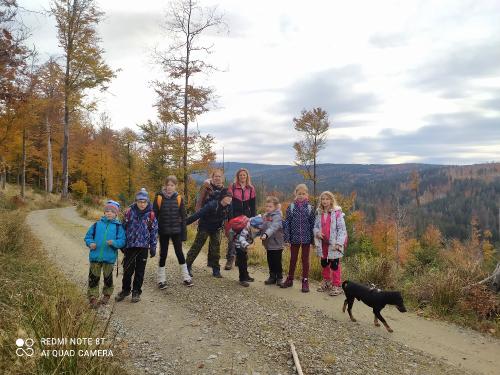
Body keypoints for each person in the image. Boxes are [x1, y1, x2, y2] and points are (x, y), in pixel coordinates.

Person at [116, 188, 158, 303]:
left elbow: (154, 232)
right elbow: (122, 228)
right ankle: (125, 290)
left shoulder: (151, 215)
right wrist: (122, 243)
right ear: (136, 201)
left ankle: (136, 292)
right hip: (130, 246)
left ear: (147, 202)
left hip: (143, 247)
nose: (142, 204)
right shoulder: (129, 212)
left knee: (140, 271)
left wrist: (153, 246)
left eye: (144, 201)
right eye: (140, 201)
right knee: (127, 270)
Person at [84, 200, 126, 308]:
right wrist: (91, 243)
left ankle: (107, 294)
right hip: (95, 257)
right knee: (93, 278)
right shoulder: (96, 225)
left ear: (116, 214)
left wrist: (115, 243)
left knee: (108, 278)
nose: (109, 213)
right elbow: (88, 237)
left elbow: (122, 241)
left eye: (112, 211)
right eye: (107, 211)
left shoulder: (118, 227)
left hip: (109, 258)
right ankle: (92, 297)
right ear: (104, 212)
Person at [153, 175, 192, 289]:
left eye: (172, 185)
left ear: (175, 186)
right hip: (163, 230)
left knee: (179, 252)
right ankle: (161, 279)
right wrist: (153, 232)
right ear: (164, 185)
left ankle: (186, 277)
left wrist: (184, 234)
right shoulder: (159, 197)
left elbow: (183, 217)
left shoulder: (179, 198)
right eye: (168, 185)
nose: (169, 187)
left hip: (176, 231)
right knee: (163, 254)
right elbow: (154, 216)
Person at [185, 188, 233, 277]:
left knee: (215, 248)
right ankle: (187, 266)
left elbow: (231, 219)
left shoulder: (229, 207)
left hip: (216, 228)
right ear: (223, 197)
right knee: (197, 246)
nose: (230, 198)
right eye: (228, 196)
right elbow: (197, 215)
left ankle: (216, 269)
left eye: (231, 197)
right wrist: (184, 223)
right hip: (205, 227)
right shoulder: (212, 205)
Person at [282, 184, 315, 293]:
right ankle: (290, 279)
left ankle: (305, 281)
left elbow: (312, 224)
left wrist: (313, 241)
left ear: (307, 195)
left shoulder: (310, 208)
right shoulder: (291, 207)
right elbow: (287, 223)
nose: (301, 196)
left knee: (305, 260)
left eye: (303, 194)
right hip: (294, 238)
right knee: (293, 259)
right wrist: (287, 239)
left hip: (306, 238)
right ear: (295, 194)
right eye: (299, 194)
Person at [314, 191, 347, 296]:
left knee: (334, 264)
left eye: (327, 199)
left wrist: (339, 243)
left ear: (331, 200)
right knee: (324, 263)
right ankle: (327, 281)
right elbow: (315, 227)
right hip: (323, 243)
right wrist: (317, 232)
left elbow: (342, 230)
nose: (325, 201)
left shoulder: (337, 213)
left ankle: (336, 285)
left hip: (334, 244)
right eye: (323, 199)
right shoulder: (319, 213)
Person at [225, 168, 256, 270]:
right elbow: (229, 204)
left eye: (244, 175)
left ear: (247, 176)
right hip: (234, 216)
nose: (242, 177)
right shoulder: (233, 187)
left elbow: (253, 206)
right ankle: (230, 259)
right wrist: (230, 218)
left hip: (246, 218)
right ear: (237, 177)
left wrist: (252, 220)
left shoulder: (251, 188)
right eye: (240, 175)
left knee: (244, 238)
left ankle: (240, 260)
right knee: (232, 238)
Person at [230, 215, 263, 287]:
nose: (257, 230)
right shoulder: (245, 229)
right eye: (256, 228)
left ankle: (246, 276)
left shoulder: (256, 227)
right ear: (251, 225)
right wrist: (247, 245)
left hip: (245, 246)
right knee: (242, 263)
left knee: (245, 261)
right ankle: (242, 279)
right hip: (239, 245)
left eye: (259, 229)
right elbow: (241, 239)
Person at [261, 196, 284, 286]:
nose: (268, 208)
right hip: (268, 243)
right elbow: (262, 227)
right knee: (270, 260)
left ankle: (279, 277)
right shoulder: (265, 216)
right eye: (267, 206)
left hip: (277, 242)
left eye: (270, 206)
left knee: (277, 261)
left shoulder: (277, 216)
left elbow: (274, 227)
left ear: (275, 207)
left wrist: (266, 234)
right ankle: (272, 276)